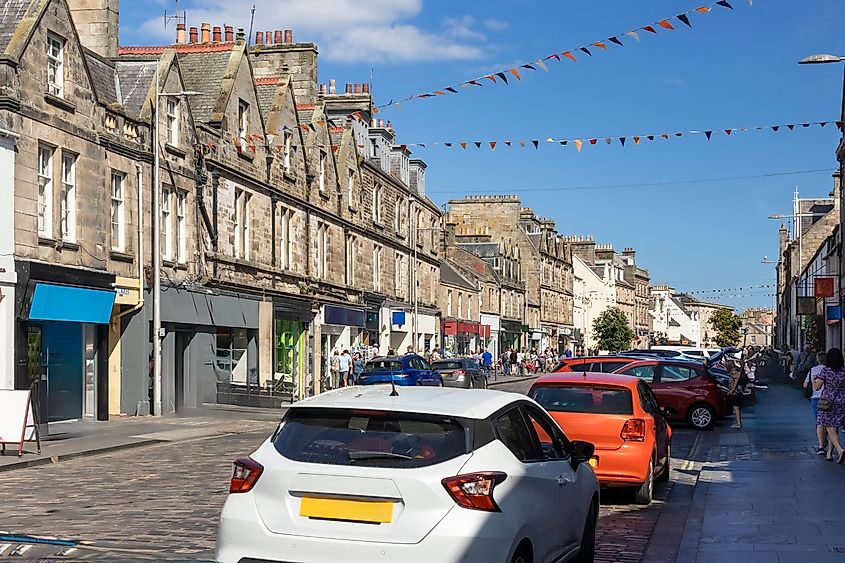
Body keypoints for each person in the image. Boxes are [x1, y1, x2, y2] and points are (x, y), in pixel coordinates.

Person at [814, 347, 845, 463]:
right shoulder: (843, 371)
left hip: (828, 401)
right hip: (841, 401)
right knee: (835, 426)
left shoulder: (826, 371)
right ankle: (829, 453)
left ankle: (839, 449)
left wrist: (814, 380)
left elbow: (817, 387)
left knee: (827, 425)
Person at [805, 352, 828, 455]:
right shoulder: (830, 370)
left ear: (818, 360)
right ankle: (826, 440)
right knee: (828, 422)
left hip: (816, 398)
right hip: (828, 398)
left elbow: (805, 384)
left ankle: (821, 444)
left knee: (819, 421)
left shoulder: (813, 370)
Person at [726, 361, 750, 429]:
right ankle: (738, 422)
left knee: (736, 408)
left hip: (735, 393)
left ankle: (738, 423)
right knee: (736, 408)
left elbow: (735, 383)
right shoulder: (736, 372)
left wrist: (731, 391)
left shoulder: (735, 373)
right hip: (736, 393)